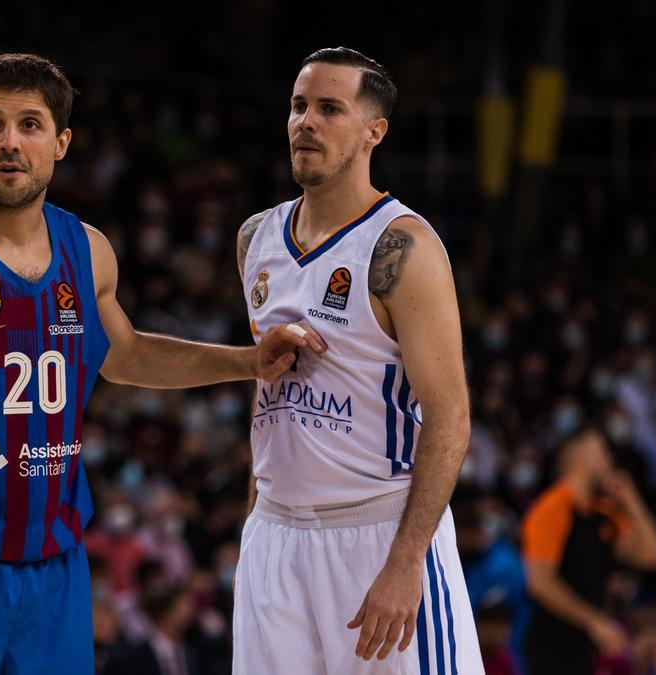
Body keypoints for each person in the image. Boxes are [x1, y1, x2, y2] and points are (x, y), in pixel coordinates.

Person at [0, 53, 321, 675]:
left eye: (30, 124)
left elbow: (128, 353)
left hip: (54, 575)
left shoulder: (88, 251)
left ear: (60, 143)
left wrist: (251, 361)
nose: (10, 142)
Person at [233, 46, 482, 674]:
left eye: (328, 109)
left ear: (374, 131)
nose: (304, 122)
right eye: (297, 106)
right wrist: (253, 520)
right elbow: (268, 393)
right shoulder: (255, 238)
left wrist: (405, 564)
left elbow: (449, 418)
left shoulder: (404, 247)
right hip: (274, 535)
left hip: (377, 535)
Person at [520, 427, 656, 675]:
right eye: (602, 452)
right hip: (548, 646)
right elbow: (540, 582)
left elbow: (653, 556)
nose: (609, 461)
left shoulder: (604, 513)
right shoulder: (551, 508)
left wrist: (632, 500)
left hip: (585, 647)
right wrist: (594, 621)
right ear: (579, 459)